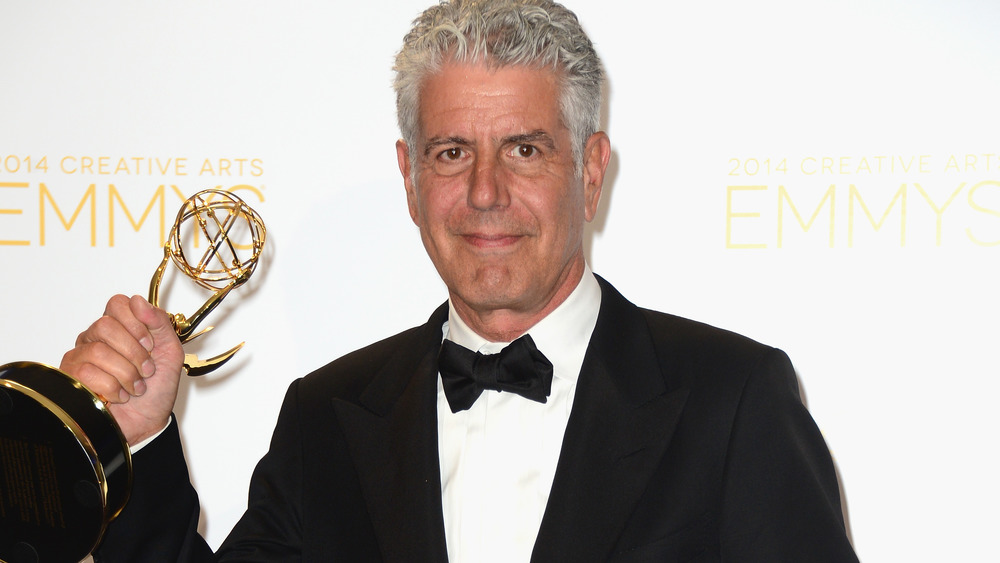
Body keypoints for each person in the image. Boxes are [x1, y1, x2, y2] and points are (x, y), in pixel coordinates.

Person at [60, 0, 860, 561]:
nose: (484, 193)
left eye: (524, 149)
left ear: (589, 172)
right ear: (410, 178)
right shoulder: (325, 417)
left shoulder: (732, 400)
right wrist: (136, 441)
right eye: (451, 152)